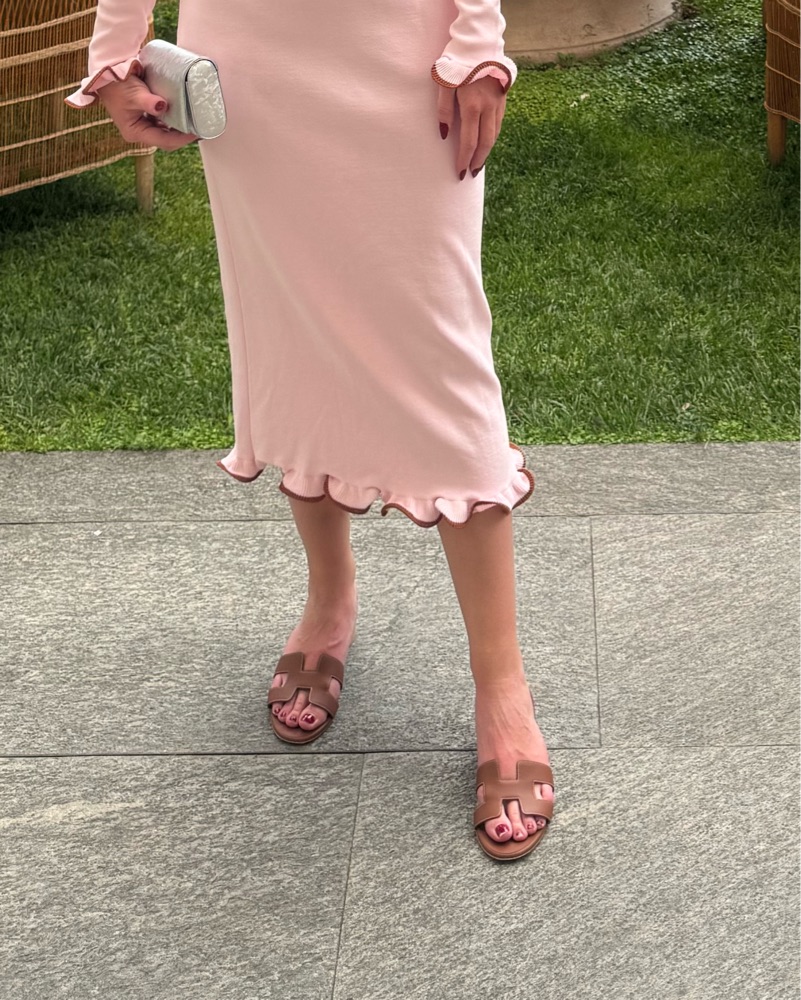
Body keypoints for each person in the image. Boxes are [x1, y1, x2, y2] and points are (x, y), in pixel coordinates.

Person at [65, 0, 555, 862]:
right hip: (254, 72)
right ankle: (329, 602)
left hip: (408, 61)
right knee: (294, 342)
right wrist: (114, 56)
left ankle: (502, 687)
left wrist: (478, 43)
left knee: (442, 363)